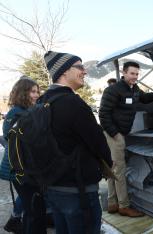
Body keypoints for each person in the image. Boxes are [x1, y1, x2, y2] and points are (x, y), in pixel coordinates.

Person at [42, 51, 113, 234]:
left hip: (53, 188)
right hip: (78, 191)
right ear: (64, 71)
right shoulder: (73, 103)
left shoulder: (42, 102)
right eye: (80, 67)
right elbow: (98, 142)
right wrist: (108, 165)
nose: (84, 71)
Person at [99, 61, 153, 217]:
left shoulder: (134, 89)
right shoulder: (113, 90)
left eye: (137, 74)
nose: (135, 77)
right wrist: (115, 134)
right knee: (120, 169)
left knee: (114, 169)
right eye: (132, 73)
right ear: (124, 73)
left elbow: (144, 98)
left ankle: (112, 203)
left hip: (120, 132)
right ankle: (124, 206)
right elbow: (103, 114)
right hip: (114, 134)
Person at [0, 77, 39, 234]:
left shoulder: (22, 111)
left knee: (29, 201)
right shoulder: (18, 113)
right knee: (32, 206)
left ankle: (15, 220)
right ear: (23, 93)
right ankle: (16, 221)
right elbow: (17, 140)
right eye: (33, 91)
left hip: (20, 166)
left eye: (37, 91)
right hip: (19, 167)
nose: (36, 95)